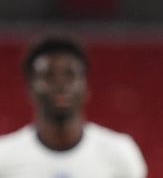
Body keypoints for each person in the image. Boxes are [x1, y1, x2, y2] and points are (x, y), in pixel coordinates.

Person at [0, 36, 147, 177]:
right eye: (49, 76)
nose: (60, 85)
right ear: (30, 89)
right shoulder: (4, 157)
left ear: (86, 88)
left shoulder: (119, 153)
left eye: (70, 75)